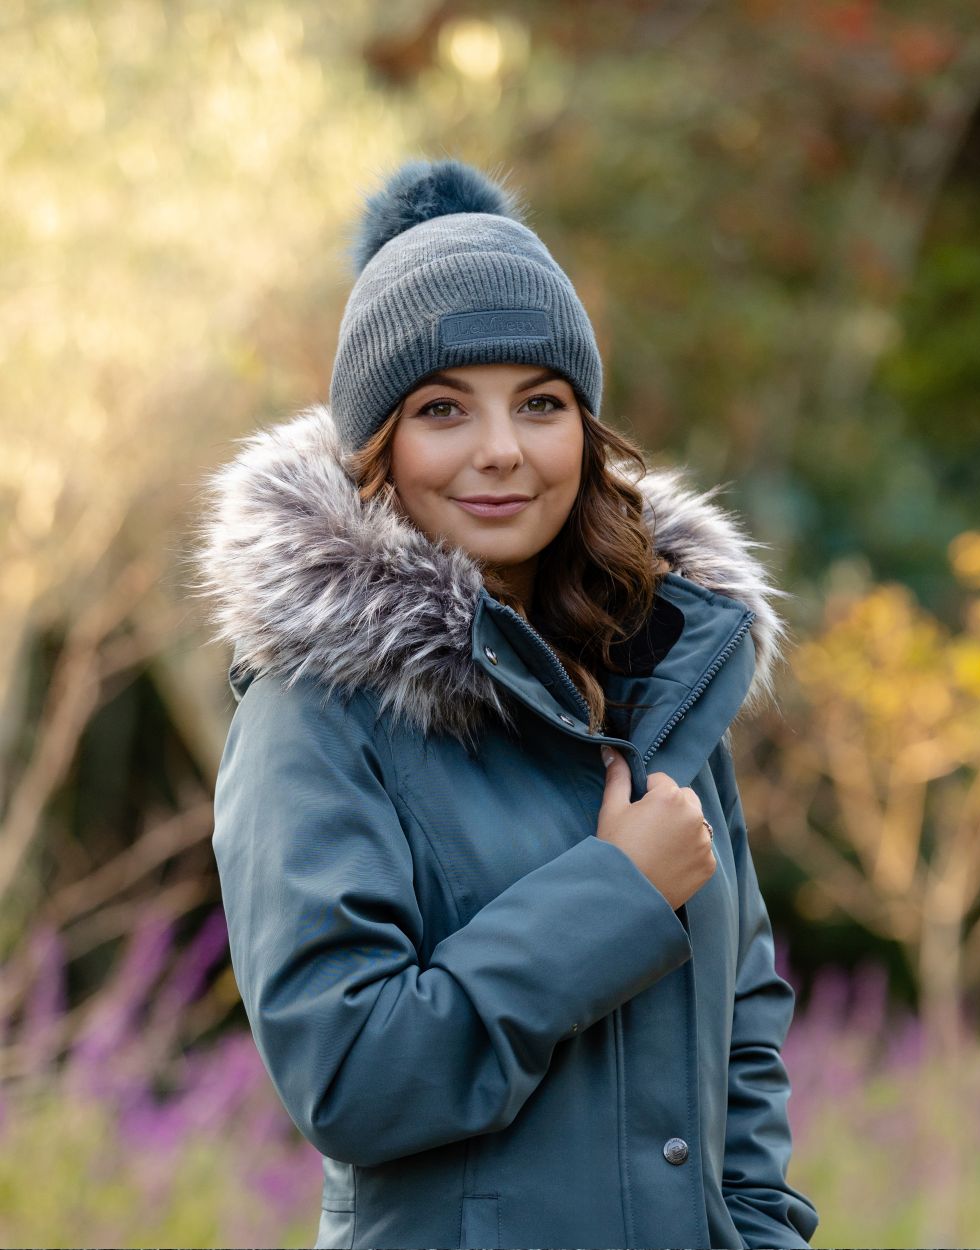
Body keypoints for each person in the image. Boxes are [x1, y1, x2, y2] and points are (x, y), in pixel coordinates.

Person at [191, 157, 820, 1250]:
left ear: (586, 428)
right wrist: (617, 892)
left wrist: (759, 1230)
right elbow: (350, 1077)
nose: (500, 449)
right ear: (376, 447)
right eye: (443, 409)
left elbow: (741, 1023)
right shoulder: (315, 716)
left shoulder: (660, 676)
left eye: (540, 402)